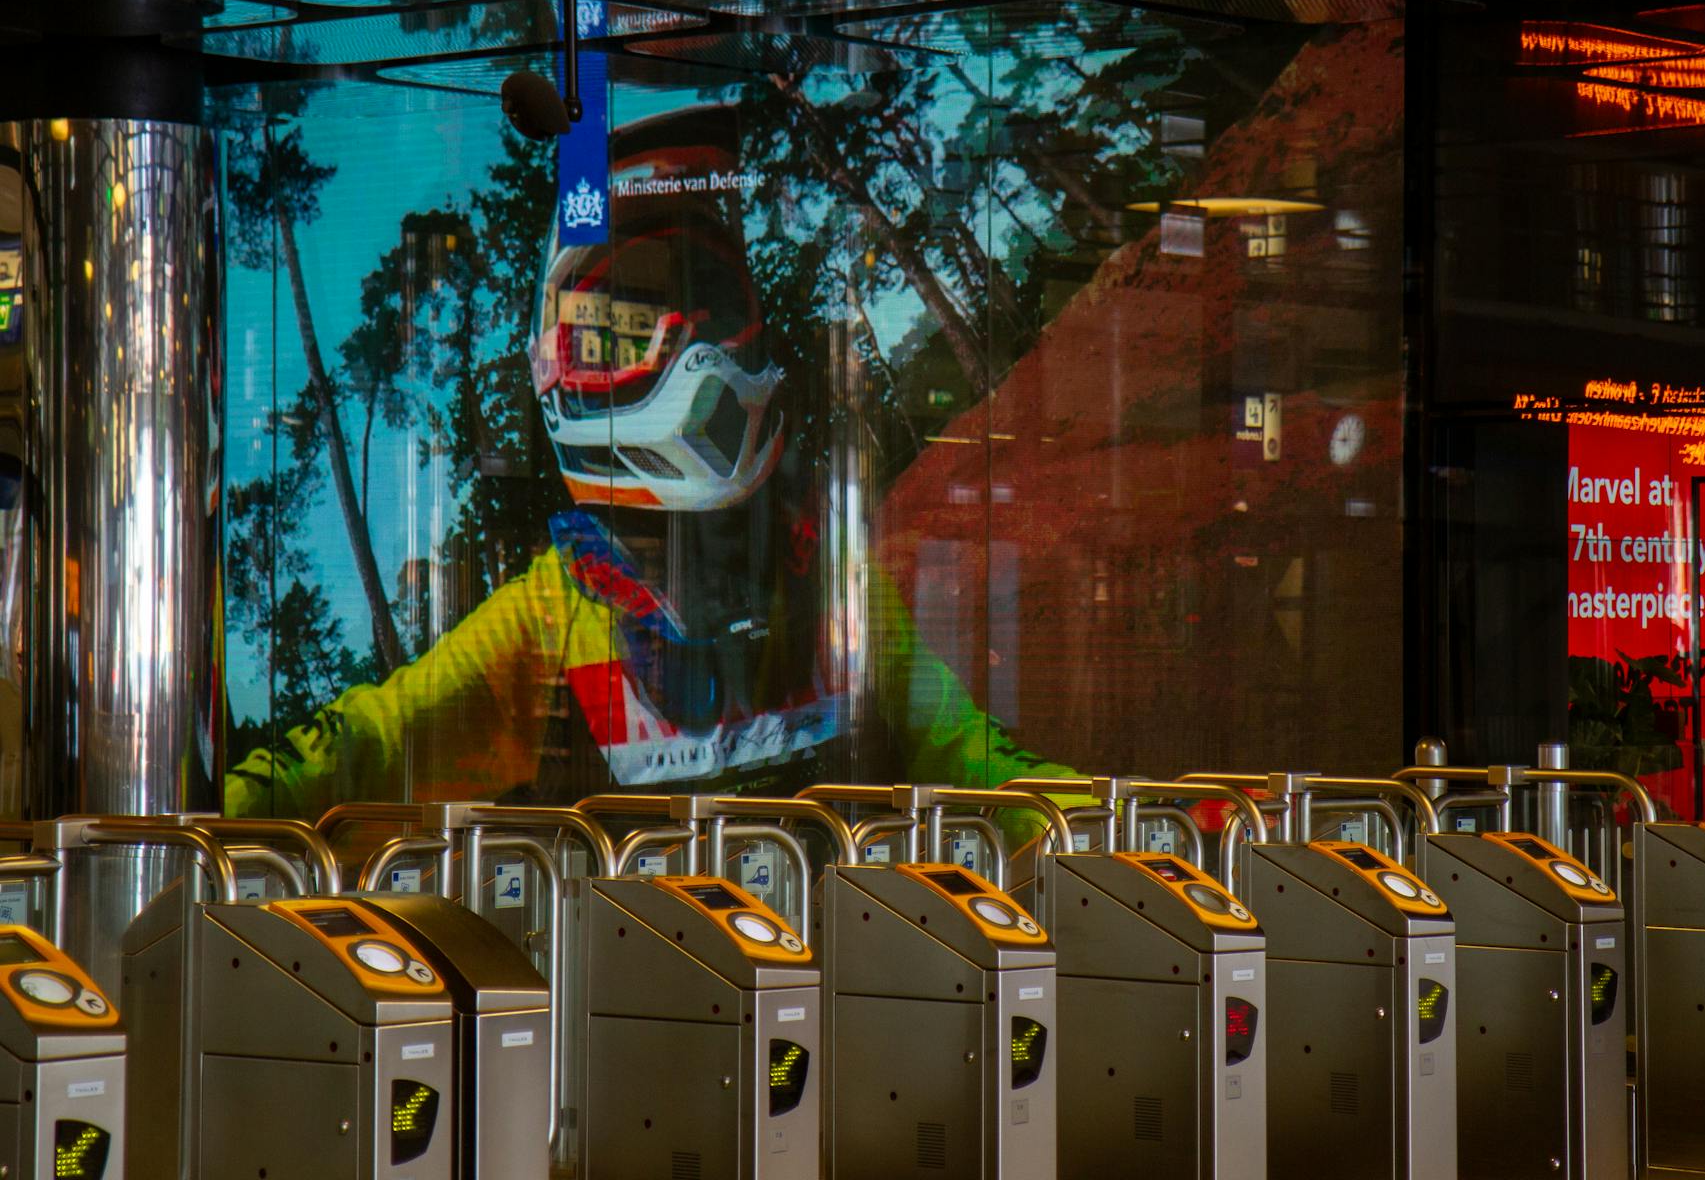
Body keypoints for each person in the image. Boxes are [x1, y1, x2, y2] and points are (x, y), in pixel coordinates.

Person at [225, 103, 1079, 821]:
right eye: (638, 317)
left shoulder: (820, 570)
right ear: (568, 360)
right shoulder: (556, 614)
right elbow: (373, 741)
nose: (689, 340)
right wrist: (194, 815)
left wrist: (1103, 826)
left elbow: (976, 759)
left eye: (703, 299)